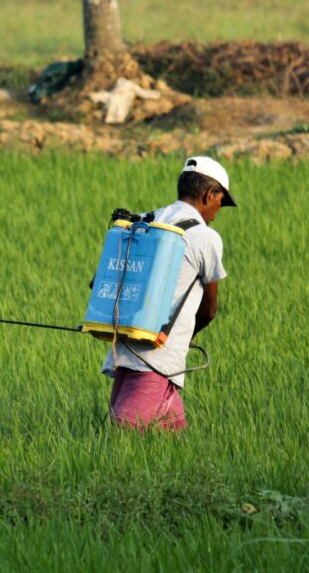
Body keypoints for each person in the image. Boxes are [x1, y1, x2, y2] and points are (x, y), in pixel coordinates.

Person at [101, 156, 236, 431]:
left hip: (126, 348)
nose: (218, 211)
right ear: (209, 194)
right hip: (158, 359)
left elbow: (105, 279)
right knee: (124, 436)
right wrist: (187, 338)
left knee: (172, 444)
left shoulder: (147, 220)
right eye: (221, 201)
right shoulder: (205, 237)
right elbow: (209, 310)